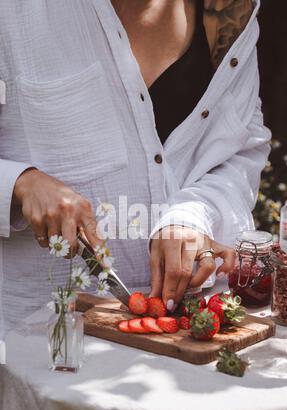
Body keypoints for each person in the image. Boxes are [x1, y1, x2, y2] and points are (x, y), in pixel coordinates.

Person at [0, 0, 271, 333]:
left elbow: (240, 151)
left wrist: (194, 215)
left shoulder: (232, 12)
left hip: (191, 333)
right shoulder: (12, 13)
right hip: (42, 345)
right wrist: (20, 183)